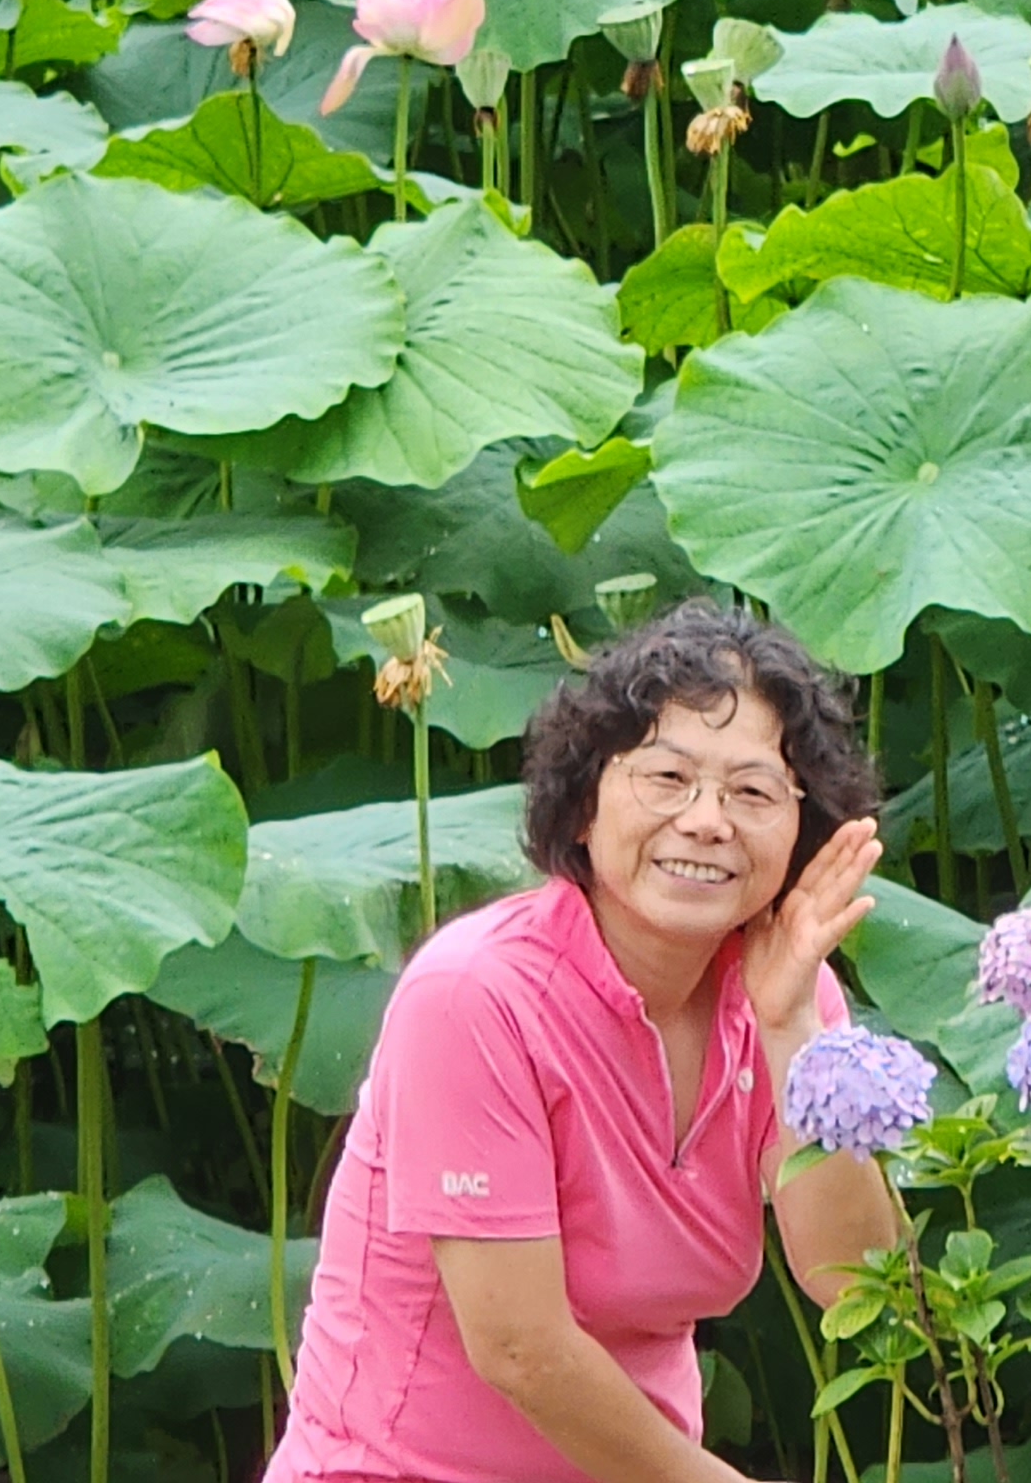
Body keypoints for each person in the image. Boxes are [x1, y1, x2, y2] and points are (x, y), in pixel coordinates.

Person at [268, 600, 899, 1483]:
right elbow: (519, 1349)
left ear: (805, 831)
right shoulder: (474, 995)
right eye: (668, 778)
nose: (707, 820)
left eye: (753, 792)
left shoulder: (788, 993)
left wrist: (794, 1032)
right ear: (582, 808)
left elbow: (859, 1285)